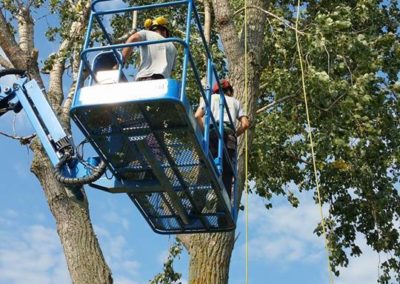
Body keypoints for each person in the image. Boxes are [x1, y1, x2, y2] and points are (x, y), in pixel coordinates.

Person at [194, 79, 250, 199]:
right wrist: (234, 134)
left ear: (216, 91)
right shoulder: (236, 102)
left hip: (212, 133)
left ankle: (197, 205)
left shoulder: (210, 98)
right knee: (227, 172)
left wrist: (205, 133)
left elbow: (197, 116)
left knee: (205, 168)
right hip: (229, 135)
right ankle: (223, 211)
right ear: (229, 91)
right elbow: (245, 124)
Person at [121, 16, 177, 81]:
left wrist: (121, 62)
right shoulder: (173, 47)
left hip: (146, 78)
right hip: (163, 83)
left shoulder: (146, 33)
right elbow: (172, 70)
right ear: (165, 32)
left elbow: (133, 38)